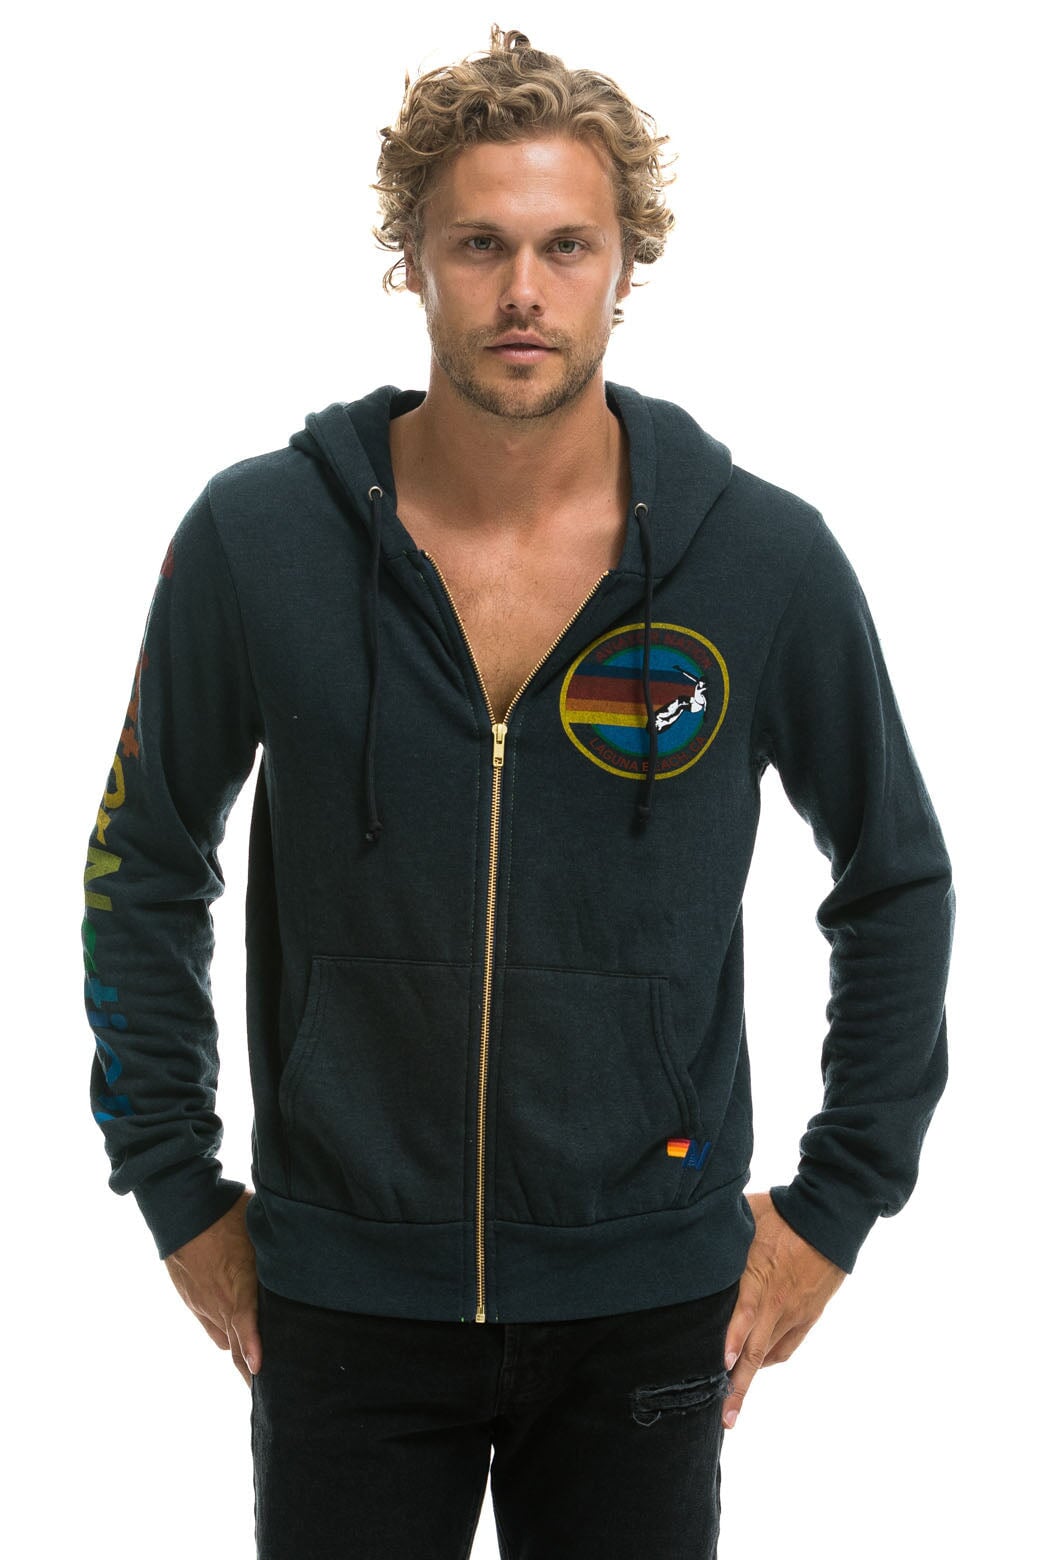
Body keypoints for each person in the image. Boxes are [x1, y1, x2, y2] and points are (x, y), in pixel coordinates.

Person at [81, 25, 954, 1560]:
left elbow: (895, 879)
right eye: (480, 244)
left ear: (626, 266)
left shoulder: (762, 562)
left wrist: (836, 1207)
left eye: (567, 245)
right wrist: (172, 1185)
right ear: (413, 260)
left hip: (648, 1299)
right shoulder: (257, 541)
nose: (524, 291)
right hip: (343, 1299)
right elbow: (142, 861)